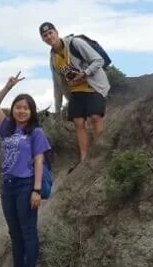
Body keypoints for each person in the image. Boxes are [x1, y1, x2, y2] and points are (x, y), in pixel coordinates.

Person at [0, 74, 51, 267]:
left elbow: (39, 161)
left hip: (26, 185)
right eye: (18, 107)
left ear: (32, 112)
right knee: (14, 232)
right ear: (13, 109)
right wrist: (8, 86)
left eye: (26, 108)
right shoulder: (6, 128)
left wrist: (36, 190)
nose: (21, 111)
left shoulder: (35, 132)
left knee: (27, 231)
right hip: (8, 186)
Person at [40, 22, 111, 163]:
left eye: (50, 33)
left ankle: (102, 152)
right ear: (43, 40)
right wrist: (58, 108)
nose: (48, 37)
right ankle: (84, 158)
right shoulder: (53, 59)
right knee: (78, 122)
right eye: (45, 35)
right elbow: (57, 84)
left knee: (95, 117)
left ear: (56, 32)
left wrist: (84, 74)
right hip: (76, 91)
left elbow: (98, 60)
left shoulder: (75, 43)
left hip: (94, 86)